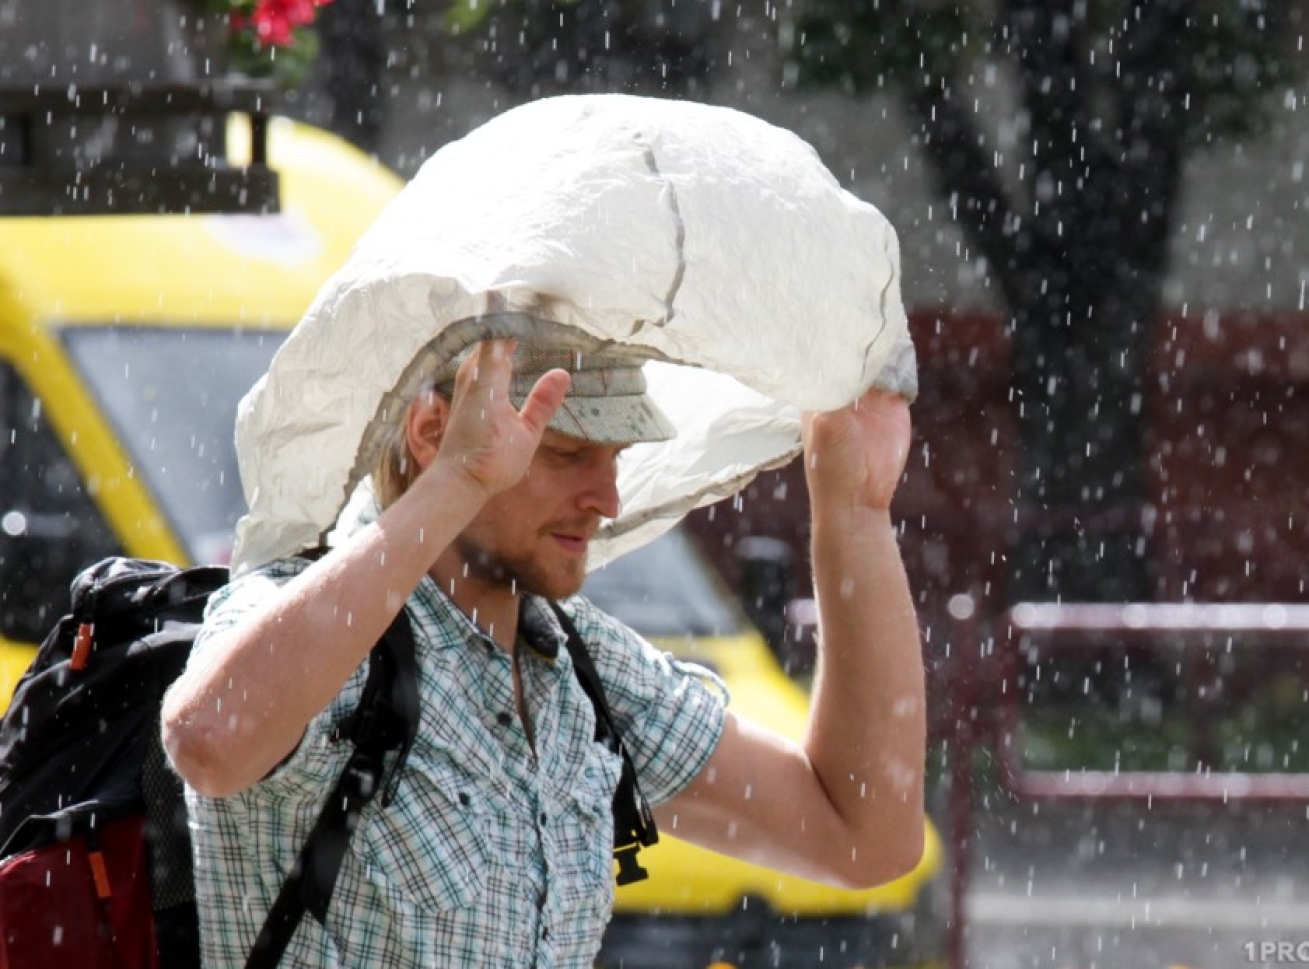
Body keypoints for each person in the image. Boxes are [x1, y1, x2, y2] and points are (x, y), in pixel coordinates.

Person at [160, 335, 926, 967]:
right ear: (432, 433)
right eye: (564, 454)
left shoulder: (581, 668)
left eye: (614, 458)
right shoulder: (316, 621)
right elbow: (209, 741)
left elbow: (865, 836)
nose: (608, 499)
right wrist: (456, 482)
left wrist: (855, 509)